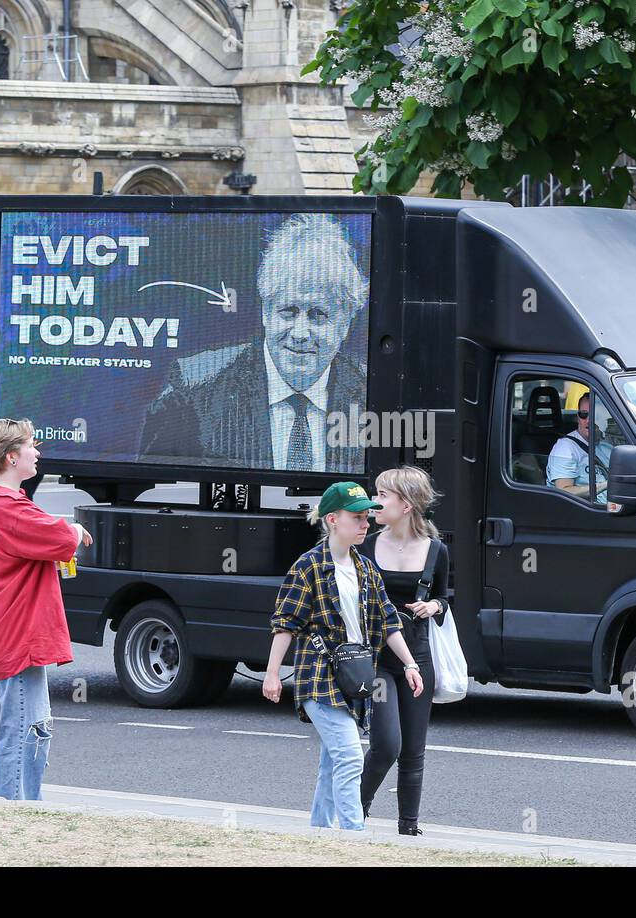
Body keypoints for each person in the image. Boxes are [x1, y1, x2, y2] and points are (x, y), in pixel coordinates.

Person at [140, 213, 367, 472]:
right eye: (289, 311)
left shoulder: (373, 393)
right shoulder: (194, 387)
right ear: (266, 312)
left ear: (345, 323)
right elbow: (152, 491)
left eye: (318, 314)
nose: (301, 333)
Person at [264, 481, 424, 831]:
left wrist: (410, 664)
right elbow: (285, 623)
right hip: (319, 675)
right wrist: (272, 673)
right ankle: (353, 836)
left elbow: (388, 621)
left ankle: (319, 835)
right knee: (350, 756)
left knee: (331, 763)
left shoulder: (365, 568)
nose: (366, 524)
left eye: (368, 517)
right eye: (358, 518)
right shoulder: (308, 566)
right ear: (333, 519)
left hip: (354, 676)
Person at [0, 418, 92, 800]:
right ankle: (17, 804)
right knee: (26, 725)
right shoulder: (9, 509)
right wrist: (72, 530)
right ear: (11, 457)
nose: (37, 452)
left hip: (12, 629)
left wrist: (65, 531)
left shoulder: (3, 503)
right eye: (30, 446)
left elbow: (47, 532)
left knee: (28, 723)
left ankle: (20, 800)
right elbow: (58, 536)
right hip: (18, 632)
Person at [357, 466, 448, 836]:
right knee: (387, 744)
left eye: (382, 494)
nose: (373, 500)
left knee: (414, 749)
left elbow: (445, 596)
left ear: (407, 505)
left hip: (418, 657)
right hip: (376, 659)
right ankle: (354, 809)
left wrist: (434, 607)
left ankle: (408, 826)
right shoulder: (364, 544)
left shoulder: (436, 550)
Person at [545, 392, 612, 502]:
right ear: (578, 417)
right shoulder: (565, 448)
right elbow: (563, 491)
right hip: (588, 513)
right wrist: (607, 484)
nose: (589, 420)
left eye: (595, 415)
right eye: (583, 414)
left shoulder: (606, 444)